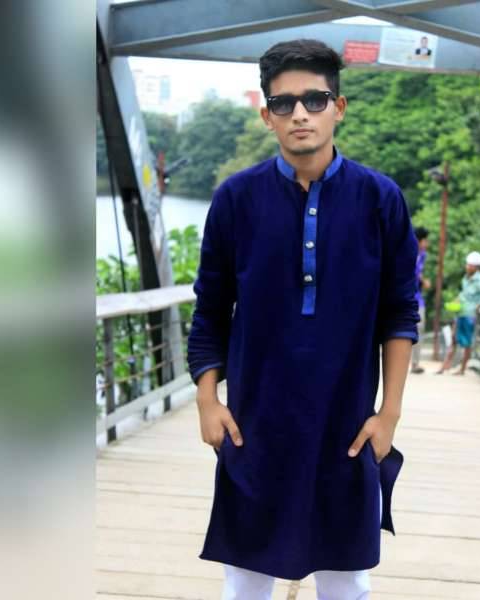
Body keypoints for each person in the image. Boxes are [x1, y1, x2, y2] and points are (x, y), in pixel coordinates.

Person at [187, 39, 419, 599]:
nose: (300, 114)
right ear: (266, 115)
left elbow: (399, 313)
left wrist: (388, 414)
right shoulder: (235, 200)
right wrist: (207, 400)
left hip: (348, 426)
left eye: (315, 100)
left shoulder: (380, 199)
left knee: (347, 582)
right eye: (283, 103)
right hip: (254, 426)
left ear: (338, 108)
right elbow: (211, 308)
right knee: (245, 581)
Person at [436, 251, 480, 376]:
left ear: (476, 267)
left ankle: (462, 369)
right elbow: (464, 294)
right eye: (467, 264)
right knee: (453, 339)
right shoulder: (466, 278)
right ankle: (444, 367)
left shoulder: (479, 280)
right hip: (460, 313)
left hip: (469, 316)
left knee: (467, 343)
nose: (467, 267)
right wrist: (457, 300)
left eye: (470, 265)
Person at [410, 227, 430, 374]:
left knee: (420, 327)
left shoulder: (423, 255)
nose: (427, 244)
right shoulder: (408, 252)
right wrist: (423, 281)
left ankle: (415, 363)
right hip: (406, 295)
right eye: (425, 240)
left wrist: (422, 281)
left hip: (417, 297)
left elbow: (417, 272)